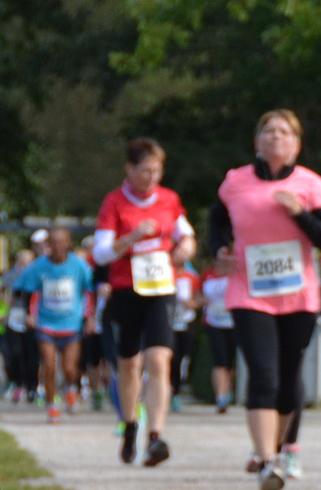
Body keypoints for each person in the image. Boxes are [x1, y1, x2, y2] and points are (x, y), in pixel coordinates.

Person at [211, 110, 321, 490]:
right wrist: (217, 250)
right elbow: (216, 223)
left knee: (287, 378)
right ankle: (267, 462)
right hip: (249, 292)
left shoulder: (310, 184)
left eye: (284, 133)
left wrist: (299, 213)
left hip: (298, 295)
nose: (275, 138)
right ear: (257, 142)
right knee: (263, 375)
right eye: (267, 131)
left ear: (296, 144)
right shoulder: (236, 182)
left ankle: (279, 448)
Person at [93, 137, 196, 466]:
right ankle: (129, 424)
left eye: (157, 170)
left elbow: (186, 234)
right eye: (145, 170)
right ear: (130, 169)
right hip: (127, 290)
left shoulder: (169, 199)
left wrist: (186, 248)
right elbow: (100, 253)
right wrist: (132, 237)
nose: (152, 177)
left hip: (161, 289)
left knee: (159, 360)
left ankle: (156, 436)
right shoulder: (114, 202)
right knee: (129, 364)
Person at [19, 228, 96, 422]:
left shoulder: (79, 265)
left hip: (71, 324)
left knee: (70, 367)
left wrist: (90, 318)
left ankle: (71, 389)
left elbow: (89, 291)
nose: (57, 246)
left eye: (61, 242)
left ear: (68, 243)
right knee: (49, 366)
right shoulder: (39, 266)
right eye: (53, 242)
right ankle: (52, 404)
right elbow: (27, 291)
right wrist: (29, 314)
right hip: (46, 323)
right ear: (48, 245)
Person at [199, 254, 237, 412]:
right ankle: (220, 397)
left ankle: (227, 392)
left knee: (229, 361)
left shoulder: (236, 273)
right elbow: (197, 294)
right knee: (219, 360)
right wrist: (202, 300)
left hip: (233, 322)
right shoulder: (207, 274)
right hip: (213, 322)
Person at [4, 246, 39, 402]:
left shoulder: (38, 276)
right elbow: (8, 293)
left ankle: (32, 387)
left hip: (33, 320)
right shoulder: (10, 277)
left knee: (32, 355)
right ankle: (19, 385)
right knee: (15, 354)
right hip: (15, 319)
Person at [170, 257, 201, 411]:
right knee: (170, 358)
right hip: (168, 323)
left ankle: (175, 391)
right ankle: (170, 391)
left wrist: (192, 304)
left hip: (187, 322)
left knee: (183, 358)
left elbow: (200, 297)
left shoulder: (192, 276)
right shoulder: (167, 274)